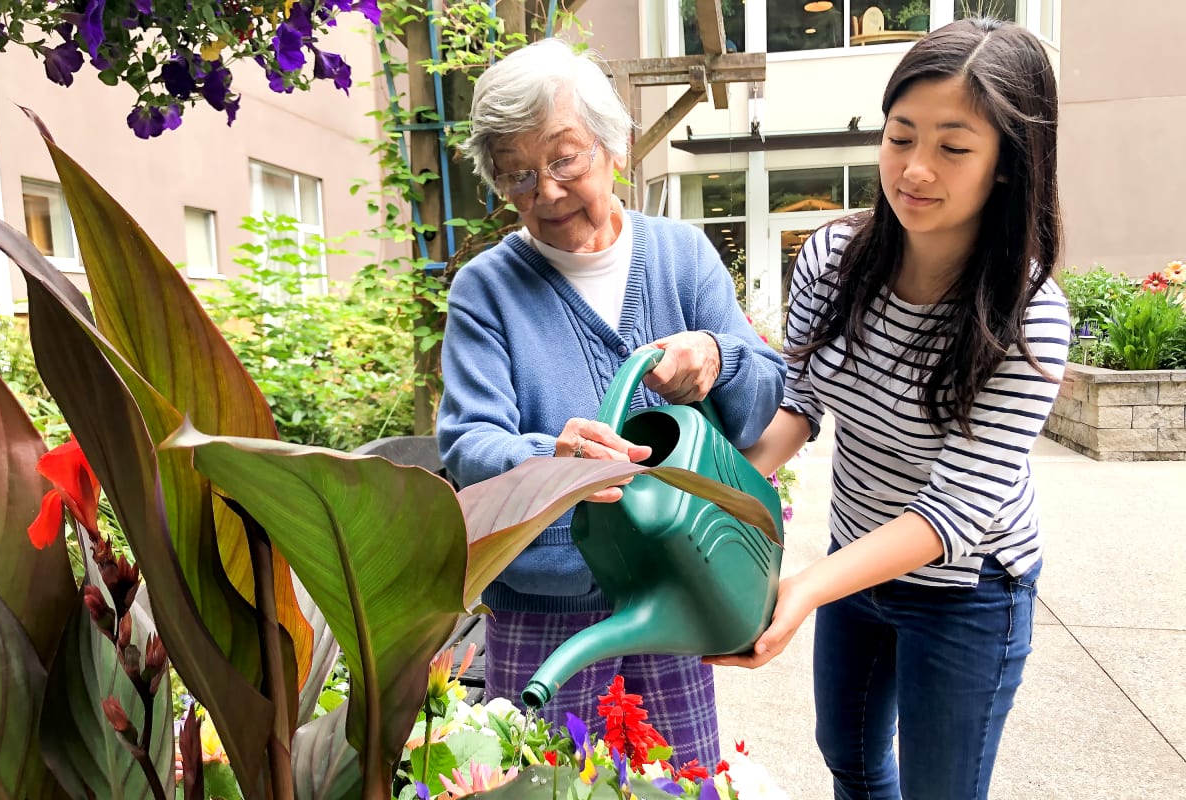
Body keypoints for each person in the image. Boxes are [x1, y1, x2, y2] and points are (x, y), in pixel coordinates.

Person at [707, 18, 1070, 800]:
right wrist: (719, 490)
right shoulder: (834, 260)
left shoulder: (1028, 318)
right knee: (854, 761)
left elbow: (951, 514)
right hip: (856, 564)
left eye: (953, 146)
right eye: (901, 136)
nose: (915, 169)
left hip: (971, 590)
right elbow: (802, 401)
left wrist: (803, 588)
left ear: (1008, 164)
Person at [436, 37, 788, 766]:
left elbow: (762, 397)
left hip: (679, 595)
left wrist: (719, 360)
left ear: (614, 144)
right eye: (518, 176)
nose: (547, 192)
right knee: (541, 785)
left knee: (682, 782)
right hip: (542, 611)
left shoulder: (681, 256)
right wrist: (552, 459)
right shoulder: (485, 291)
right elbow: (469, 444)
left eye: (564, 159)